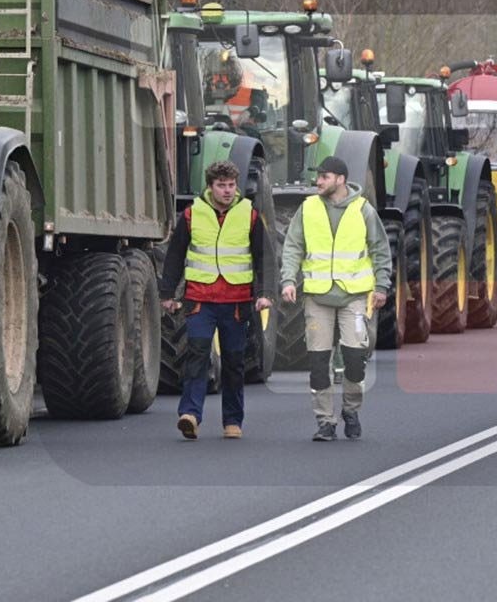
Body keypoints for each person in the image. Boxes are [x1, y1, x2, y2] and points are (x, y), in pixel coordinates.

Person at [159, 160, 273, 440]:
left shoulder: (250, 215)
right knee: (196, 355)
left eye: (232, 185)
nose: (227, 191)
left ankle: (232, 421)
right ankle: (190, 415)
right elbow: (175, 255)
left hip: (236, 302)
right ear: (210, 187)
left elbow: (264, 258)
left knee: (234, 362)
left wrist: (264, 294)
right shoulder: (191, 215)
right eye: (221, 185)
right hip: (200, 299)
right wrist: (167, 293)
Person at [280, 156, 392, 441]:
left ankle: (351, 410)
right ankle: (325, 421)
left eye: (324, 177)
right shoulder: (308, 209)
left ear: (340, 179)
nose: (318, 182)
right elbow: (293, 246)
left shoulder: (363, 210)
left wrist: (381, 286)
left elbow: (380, 249)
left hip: (354, 297)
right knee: (319, 363)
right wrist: (289, 280)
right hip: (317, 297)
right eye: (318, 177)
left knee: (355, 359)